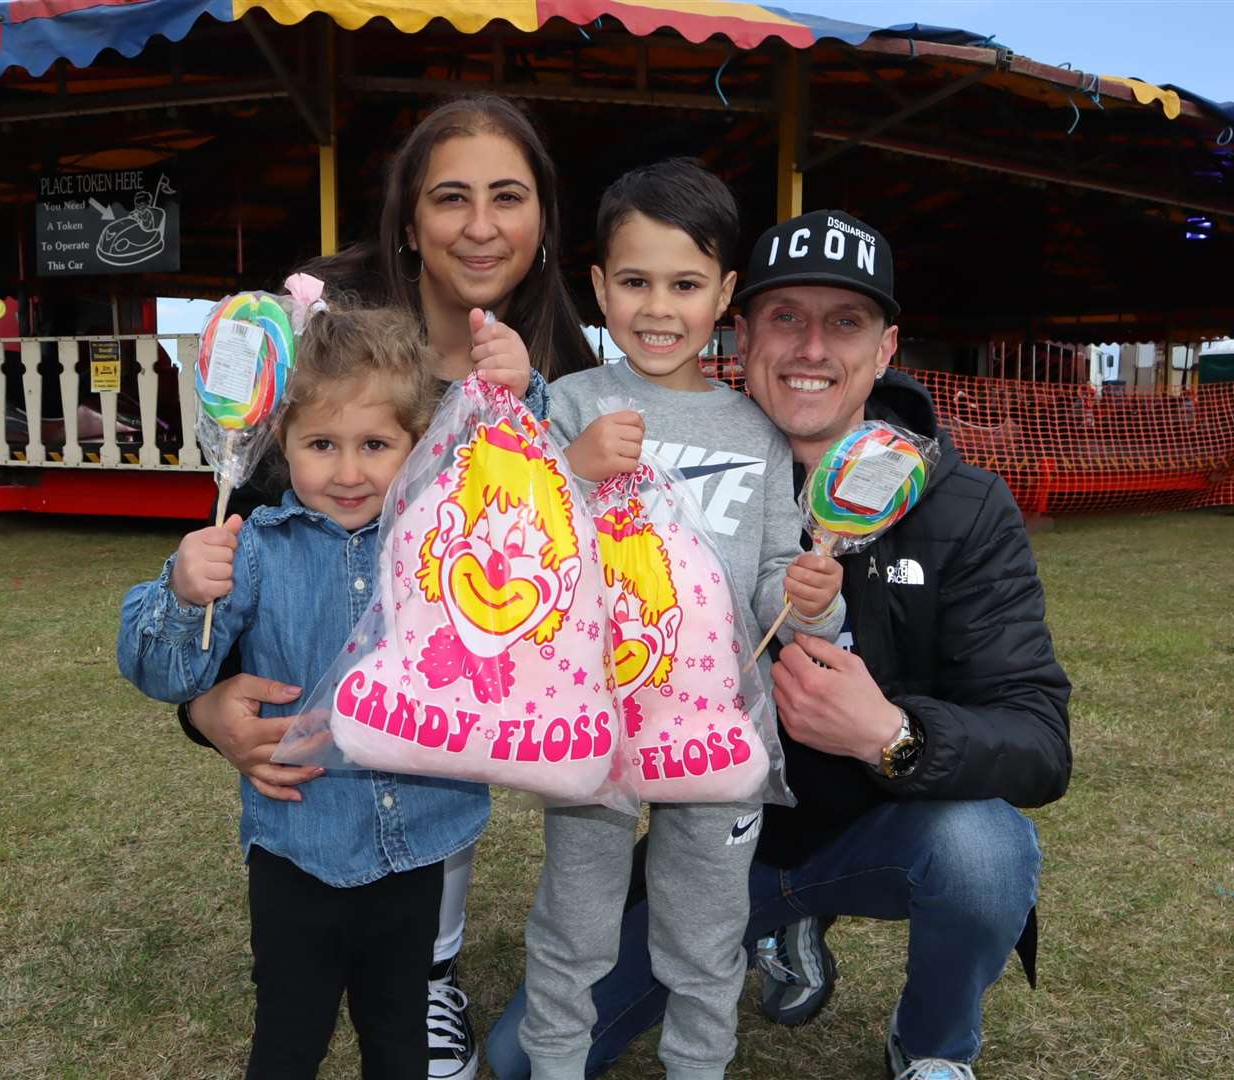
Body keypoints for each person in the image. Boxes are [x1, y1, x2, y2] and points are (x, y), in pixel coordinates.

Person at [487, 208, 1072, 1080]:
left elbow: (1039, 739)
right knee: (519, 1060)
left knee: (985, 855)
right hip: (716, 827)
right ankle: (777, 926)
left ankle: (934, 1046)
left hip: (877, 832)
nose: (810, 348)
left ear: (885, 349)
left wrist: (893, 736)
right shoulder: (685, 459)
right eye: (785, 318)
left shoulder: (963, 505)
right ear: (743, 329)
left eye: (845, 323)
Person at [179, 94, 597, 1080]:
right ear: (410, 223)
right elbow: (238, 543)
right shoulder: (329, 354)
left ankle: (432, 975)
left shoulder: (564, 372)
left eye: (509, 197)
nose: (482, 225)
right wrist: (206, 707)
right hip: (318, 764)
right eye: (451, 198)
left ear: (543, 222)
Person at [523, 160, 843, 1080]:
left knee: (707, 927)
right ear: (597, 287)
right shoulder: (571, 405)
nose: (658, 307)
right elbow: (521, 549)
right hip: (588, 722)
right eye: (634, 282)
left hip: (715, 726)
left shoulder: (757, 431)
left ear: (725, 295)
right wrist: (572, 469)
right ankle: (552, 1063)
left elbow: (779, 575)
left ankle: (698, 1065)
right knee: (573, 920)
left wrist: (816, 599)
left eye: (686, 284)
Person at [119, 304, 488, 1078]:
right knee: (290, 1036)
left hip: (414, 843)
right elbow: (165, 673)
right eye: (322, 444)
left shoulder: (440, 539)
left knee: (399, 1034)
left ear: (419, 445)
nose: (348, 472)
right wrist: (185, 596)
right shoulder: (250, 551)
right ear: (281, 443)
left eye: (376, 445)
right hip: (297, 846)